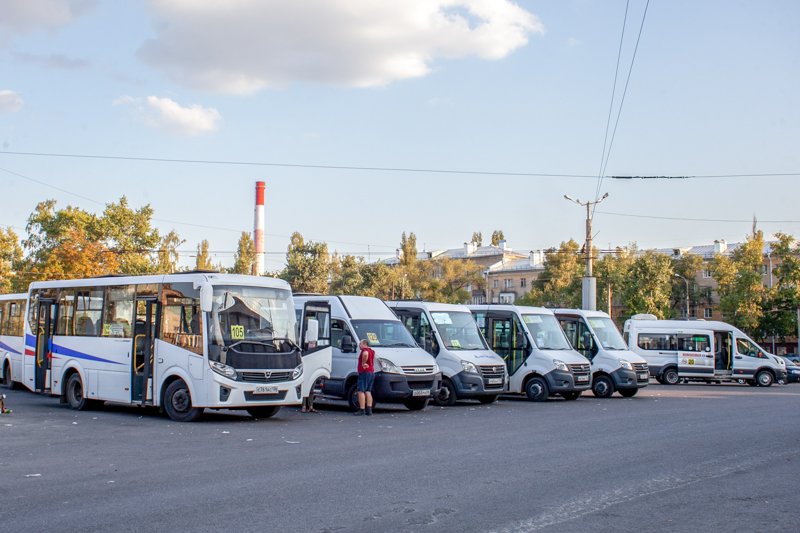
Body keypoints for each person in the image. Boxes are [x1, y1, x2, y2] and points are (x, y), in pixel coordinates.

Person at [354, 339, 375, 416]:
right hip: (371, 372)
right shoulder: (372, 351)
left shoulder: (365, 350)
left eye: (360, 344)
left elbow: (365, 354)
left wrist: (363, 363)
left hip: (365, 372)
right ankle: (369, 410)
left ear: (364, 344)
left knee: (361, 390)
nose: (359, 345)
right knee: (368, 391)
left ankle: (362, 409)